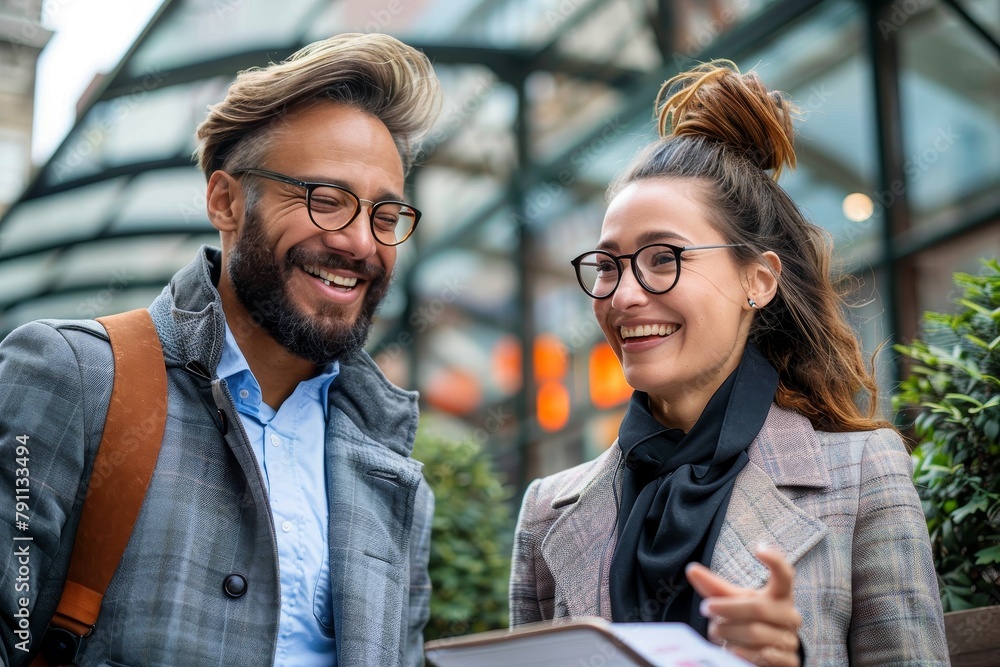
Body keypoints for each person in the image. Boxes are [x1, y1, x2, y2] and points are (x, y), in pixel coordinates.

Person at [0, 33, 441, 666]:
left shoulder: (392, 475)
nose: (360, 243)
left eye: (385, 213)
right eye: (327, 200)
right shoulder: (70, 377)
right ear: (225, 201)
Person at [509, 60, 950, 666]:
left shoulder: (862, 473)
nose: (624, 295)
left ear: (759, 280)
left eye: (663, 257)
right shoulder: (547, 508)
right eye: (608, 266)